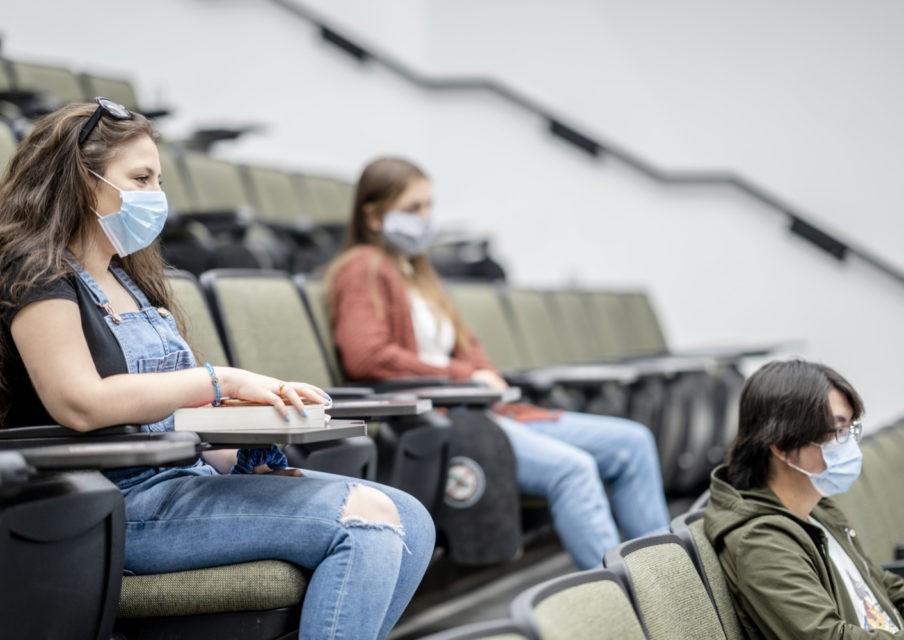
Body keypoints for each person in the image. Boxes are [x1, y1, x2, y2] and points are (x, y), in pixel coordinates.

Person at [0, 100, 434, 640]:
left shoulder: (131, 281)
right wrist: (222, 381)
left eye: (157, 179)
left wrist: (246, 448)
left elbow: (171, 416)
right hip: (107, 506)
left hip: (181, 481)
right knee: (367, 520)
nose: (155, 195)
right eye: (140, 178)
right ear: (83, 182)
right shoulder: (35, 272)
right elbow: (80, 403)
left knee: (411, 517)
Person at [325, 156, 670, 570]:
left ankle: (665, 579)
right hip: (442, 419)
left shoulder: (419, 275)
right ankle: (626, 602)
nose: (426, 218)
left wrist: (478, 373)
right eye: (413, 208)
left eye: (428, 206)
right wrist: (465, 376)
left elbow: (469, 345)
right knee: (573, 470)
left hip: (483, 407)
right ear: (375, 216)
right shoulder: (361, 269)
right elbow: (367, 356)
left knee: (632, 443)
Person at [705, 359, 904, 638]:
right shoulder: (761, 543)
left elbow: (874, 582)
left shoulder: (816, 509)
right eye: (838, 431)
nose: (848, 444)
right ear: (783, 446)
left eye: (850, 430)